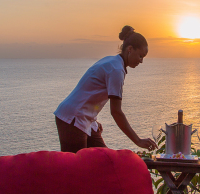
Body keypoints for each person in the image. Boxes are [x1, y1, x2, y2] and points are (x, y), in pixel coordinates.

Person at [54, 25, 158, 153]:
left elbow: (89, 92)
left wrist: (94, 120)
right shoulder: (116, 70)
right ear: (130, 49)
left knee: (105, 159)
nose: (141, 61)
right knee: (75, 167)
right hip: (72, 118)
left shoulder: (112, 62)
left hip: (86, 119)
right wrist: (138, 140)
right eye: (141, 56)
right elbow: (116, 112)